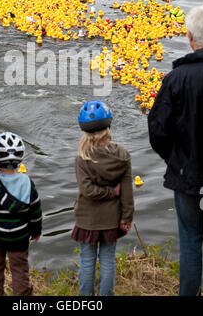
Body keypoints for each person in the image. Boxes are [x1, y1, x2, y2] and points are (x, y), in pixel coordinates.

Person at [148, 4, 203, 296]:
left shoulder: (176, 79)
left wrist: (176, 159)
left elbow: (158, 129)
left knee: (190, 240)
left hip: (189, 175)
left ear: (189, 38)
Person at [71, 100, 134, 296]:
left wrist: (106, 193)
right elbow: (127, 191)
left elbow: (87, 190)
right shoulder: (122, 156)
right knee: (107, 260)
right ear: (108, 126)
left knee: (87, 261)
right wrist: (127, 217)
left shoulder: (82, 157)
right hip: (111, 219)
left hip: (87, 219)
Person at [0, 131, 42, 296]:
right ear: (20, 159)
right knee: (19, 270)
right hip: (19, 238)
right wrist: (35, 231)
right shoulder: (28, 184)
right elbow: (36, 211)